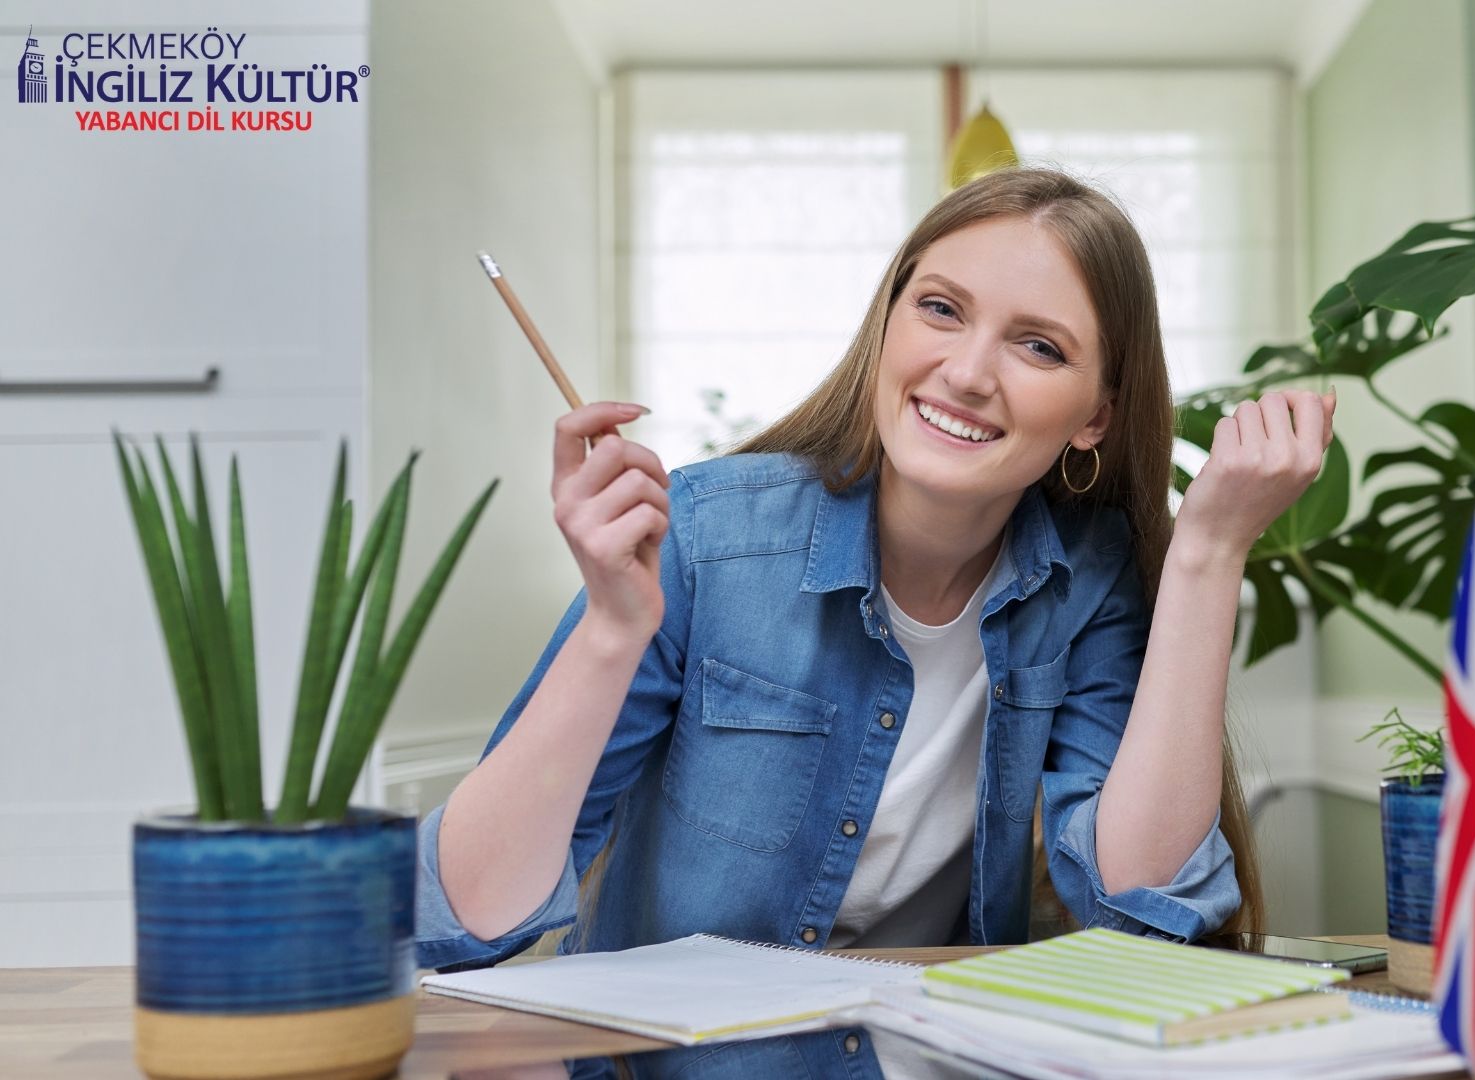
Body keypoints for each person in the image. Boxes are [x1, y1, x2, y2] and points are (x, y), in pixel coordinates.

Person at [415, 167, 1336, 984]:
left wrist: (1209, 553)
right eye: (940, 309)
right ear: (886, 323)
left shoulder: (1087, 580)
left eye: (1038, 346)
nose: (967, 373)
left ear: (1096, 416)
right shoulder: (703, 536)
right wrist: (614, 630)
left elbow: (1139, 910)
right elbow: (465, 919)